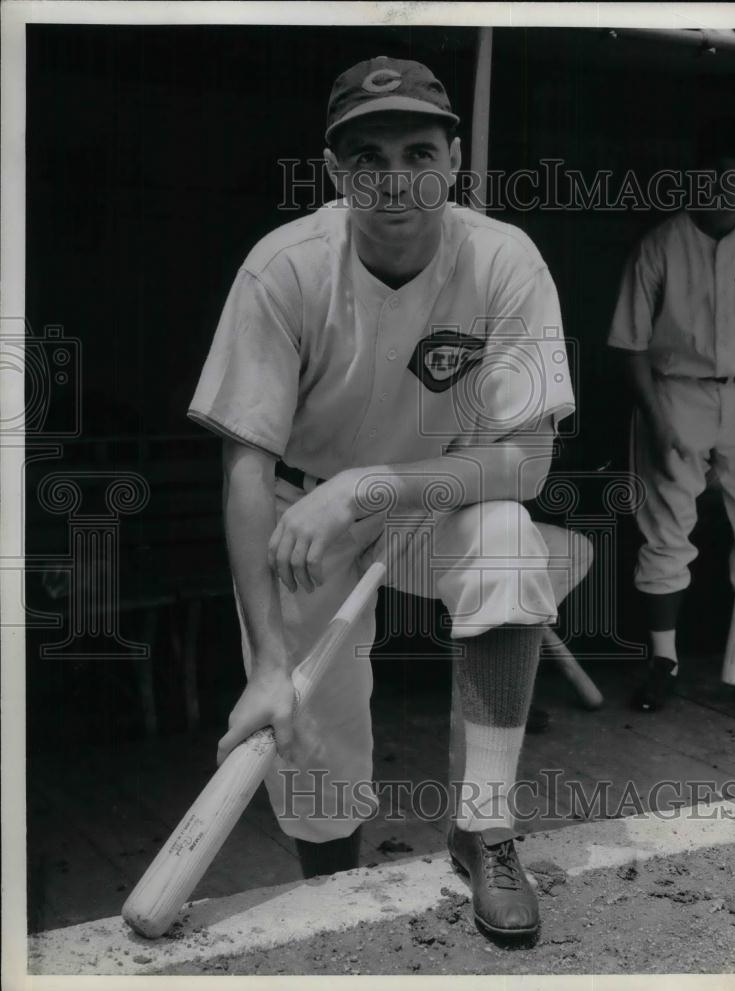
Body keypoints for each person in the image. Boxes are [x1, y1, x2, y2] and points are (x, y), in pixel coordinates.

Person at [188, 56, 587, 941]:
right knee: (312, 738)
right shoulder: (284, 268)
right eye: (368, 157)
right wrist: (262, 667)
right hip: (306, 513)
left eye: (418, 150)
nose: (395, 178)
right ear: (337, 171)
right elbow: (246, 472)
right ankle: (335, 893)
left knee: (512, 544)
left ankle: (484, 827)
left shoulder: (503, 258)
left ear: (453, 160)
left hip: (430, 500)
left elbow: (526, 458)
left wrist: (379, 485)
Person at [608, 117, 735, 712]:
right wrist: (658, 420)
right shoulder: (661, 243)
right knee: (667, 530)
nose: (728, 186)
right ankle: (664, 662)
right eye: (715, 176)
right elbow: (631, 346)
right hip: (678, 391)